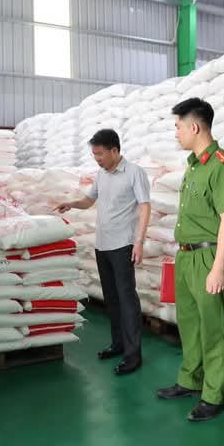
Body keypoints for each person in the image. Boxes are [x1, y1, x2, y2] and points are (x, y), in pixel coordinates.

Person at [155, 98, 224, 422]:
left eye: (178, 127)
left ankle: (213, 395)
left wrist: (218, 267)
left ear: (194, 127)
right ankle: (190, 379)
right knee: (190, 323)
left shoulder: (222, 165)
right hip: (187, 256)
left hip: (209, 256)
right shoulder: (194, 164)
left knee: (214, 328)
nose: (176, 133)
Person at [56, 129, 151, 375]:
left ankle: (133, 355)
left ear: (114, 150)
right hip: (103, 245)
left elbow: (145, 206)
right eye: (94, 155)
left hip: (123, 244)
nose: (97, 159)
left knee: (127, 299)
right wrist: (72, 204)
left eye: (100, 154)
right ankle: (118, 344)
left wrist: (139, 242)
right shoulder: (101, 175)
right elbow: (89, 200)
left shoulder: (134, 173)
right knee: (112, 298)